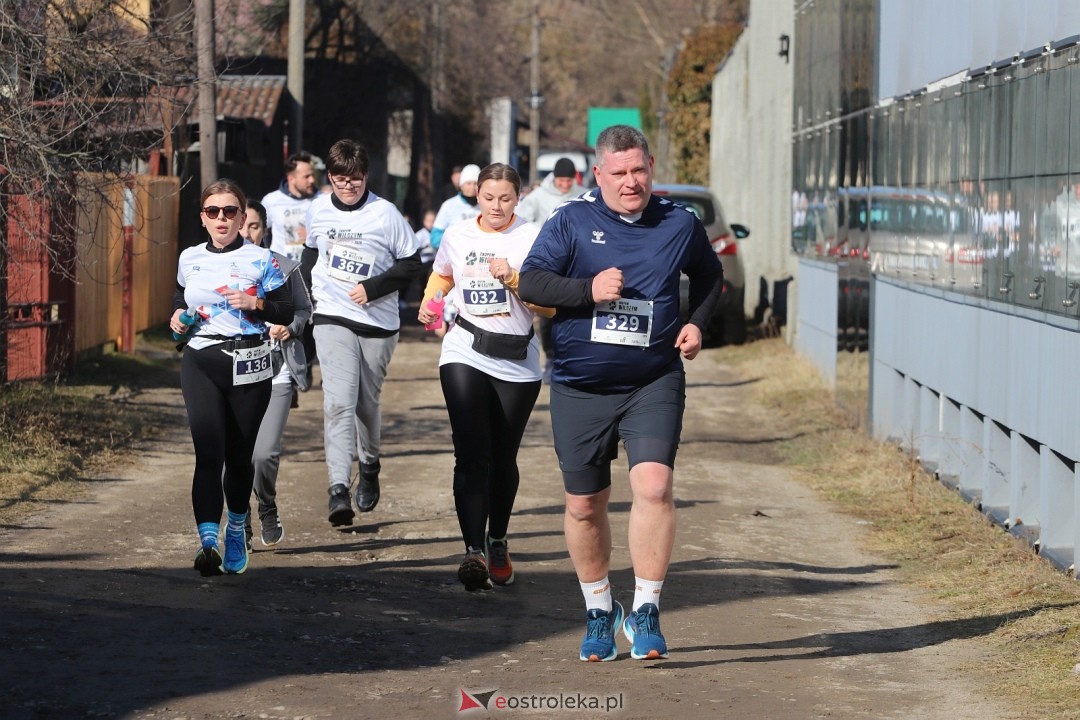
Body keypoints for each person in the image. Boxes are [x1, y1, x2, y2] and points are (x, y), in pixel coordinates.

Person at [518, 125, 723, 661]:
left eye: (640, 170)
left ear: (650, 165)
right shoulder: (572, 220)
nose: (631, 182)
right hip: (581, 385)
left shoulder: (679, 222)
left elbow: (709, 274)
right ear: (597, 174)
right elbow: (532, 281)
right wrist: (587, 290)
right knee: (585, 505)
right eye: (620, 173)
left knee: (654, 487)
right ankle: (599, 610)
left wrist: (697, 322)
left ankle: (648, 608)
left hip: (653, 378)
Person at [418, 163, 553, 591]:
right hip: (464, 348)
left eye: (506, 198)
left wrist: (513, 279)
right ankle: (473, 550)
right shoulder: (458, 234)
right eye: (488, 197)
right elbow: (442, 276)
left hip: (517, 358)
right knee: (471, 452)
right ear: (477, 195)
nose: (496, 206)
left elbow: (549, 307)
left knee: (502, 455)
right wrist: (431, 302)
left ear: (518, 198)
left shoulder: (533, 237)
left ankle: (497, 538)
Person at [172, 179, 294, 576]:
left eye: (229, 212)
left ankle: (237, 528)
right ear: (202, 218)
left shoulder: (263, 259)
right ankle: (208, 542)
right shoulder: (189, 258)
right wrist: (177, 319)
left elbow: (286, 310)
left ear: (243, 217)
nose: (221, 218)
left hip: (249, 361)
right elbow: (180, 301)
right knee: (208, 452)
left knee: (239, 456)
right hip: (201, 358)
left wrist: (256, 303)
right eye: (213, 212)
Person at [301, 139, 423, 527]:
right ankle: (338, 487)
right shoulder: (317, 209)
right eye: (340, 179)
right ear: (330, 178)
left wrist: (373, 288)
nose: (348, 186)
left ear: (365, 177)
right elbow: (309, 255)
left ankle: (369, 465)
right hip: (332, 315)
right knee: (338, 401)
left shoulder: (385, 215)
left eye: (355, 179)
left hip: (377, 322)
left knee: (365, 403)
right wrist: (305, 302)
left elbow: (412, 264)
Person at [239, 200, 312, 547]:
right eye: (243, 225)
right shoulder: (216, 268)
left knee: (264, 453)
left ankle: (266, 503)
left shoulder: (283, 267)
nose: (247, 233)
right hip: (233, 373)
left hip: (276, 371)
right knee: (234, 453)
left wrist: (291, 328)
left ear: (264, 229)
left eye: (254, 226)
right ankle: (241, 520)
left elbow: (304, 309)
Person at [515, 157, 587, 382]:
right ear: (554, 179)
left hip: (576, 264)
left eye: (569, 180)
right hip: (549, 263)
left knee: (578, 313)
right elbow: (522, 224)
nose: (565, 185)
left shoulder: (584, 195)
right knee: (547, 316)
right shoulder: (537, 198)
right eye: (561, 180)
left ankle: (574, 360)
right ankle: (551, 359)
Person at [263, 151, 320, 388]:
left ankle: (304, 367)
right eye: (306, 176)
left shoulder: (319, 202)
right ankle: (287, 377)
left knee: (309, 326)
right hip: (281, 278)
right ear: (291, 177)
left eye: (312, 176)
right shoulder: (271, 201)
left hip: (311, 276)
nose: (311, 181)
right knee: (283, 326)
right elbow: (259, 233)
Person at [431, 163, 481, 251]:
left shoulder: (486, 205)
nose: (472, 187)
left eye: (476, 183)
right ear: (461, 185)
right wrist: (458, 239)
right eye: (468, 183)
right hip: (454, 257)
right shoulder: (449, 205)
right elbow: (435, 238)